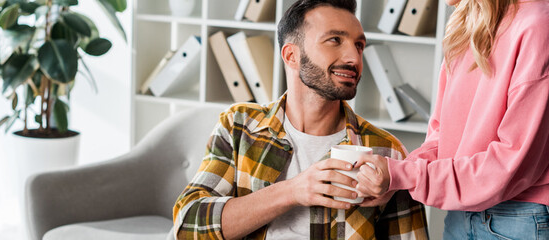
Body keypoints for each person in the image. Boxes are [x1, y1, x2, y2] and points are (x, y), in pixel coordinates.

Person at [171, 0, 428, 239]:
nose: (354, 57)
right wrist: (293, 191)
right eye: (335, 40)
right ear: (291, 55)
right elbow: (187, 225)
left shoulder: (387, 151)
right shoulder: (239, 126)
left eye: (359, 45)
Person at [354, 0, 549, 239]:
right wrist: (394, 179)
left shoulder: (539, 23)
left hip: (517, 219)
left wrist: (404, 175)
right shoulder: (466, 22)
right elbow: (441, 138)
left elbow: (513, 160)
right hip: (459, 216)